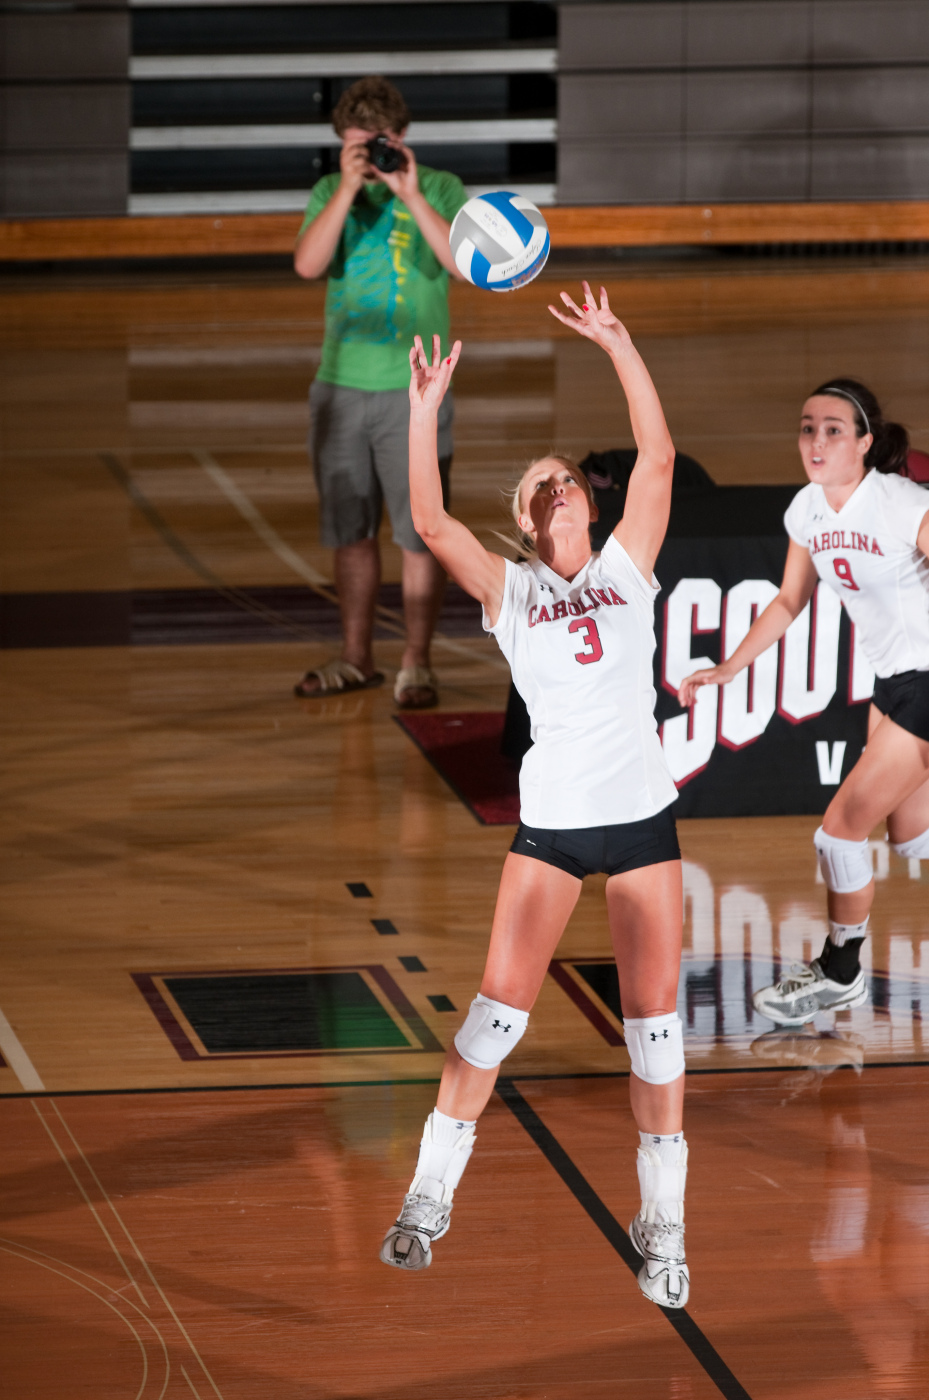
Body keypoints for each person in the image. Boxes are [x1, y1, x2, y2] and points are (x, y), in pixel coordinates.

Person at [379, 284, 691, 1309]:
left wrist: (616, 338)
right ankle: (427, 1197)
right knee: (490, 1021)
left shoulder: (627, 566)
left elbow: (655, 455)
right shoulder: (511, 592)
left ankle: (663, 1222)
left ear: (586, 502)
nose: (553, 487)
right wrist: (424, 406)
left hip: (640, 818)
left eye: (563, 477)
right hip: (551, 825)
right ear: (520, 519)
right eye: (535, 486)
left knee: (652, 1031)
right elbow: (425, 518)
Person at [680, 379, 929, 1025]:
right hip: (892, 682)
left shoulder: (902, 505)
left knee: (838, 834)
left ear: (865, 443)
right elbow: (790, 600)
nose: (816, 441)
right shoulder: (806, 511)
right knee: (911, 837)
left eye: (833, 429)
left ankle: (839, 969)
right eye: (806, 427)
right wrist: (729, 666)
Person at [293, 76, 467, 709]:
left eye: (381, 144)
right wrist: (345, 187)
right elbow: (308, 264)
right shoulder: (327, 192)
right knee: (350, 530)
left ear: (403, 137)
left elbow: (459, 261)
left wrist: (411, 193)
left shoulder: (441, 188)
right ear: (342, 143)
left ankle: (416, 663)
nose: (372, 156)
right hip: (341, 388)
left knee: (422, 532)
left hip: (417, 389)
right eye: (359, 146)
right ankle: (356, 657)